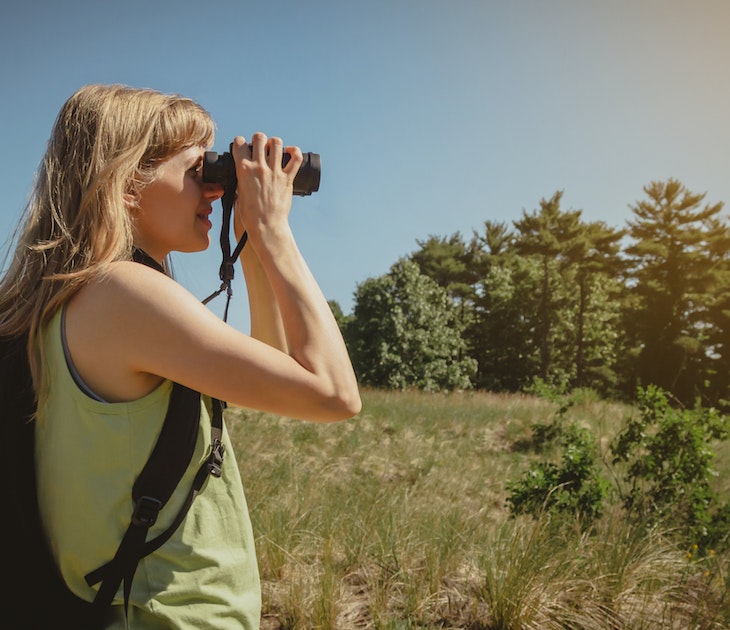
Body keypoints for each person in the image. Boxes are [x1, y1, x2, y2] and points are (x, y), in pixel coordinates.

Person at [0, 84, 361, 628]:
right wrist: (275, 232)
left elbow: (271, 375)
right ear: (125, 184)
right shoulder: (123, 293)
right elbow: (334, 393)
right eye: (198, 171)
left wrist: (256, 250)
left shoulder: (76, 297)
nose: (215, 191)